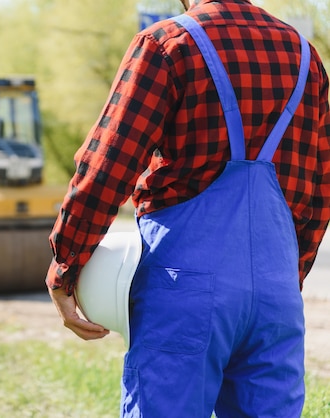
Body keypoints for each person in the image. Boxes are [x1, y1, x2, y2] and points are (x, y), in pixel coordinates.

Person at [45, 0, 330, 416]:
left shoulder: (167, 44)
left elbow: (107, 167)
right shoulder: (306, 57)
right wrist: (286, 276)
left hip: (184, 290)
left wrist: (65, 264)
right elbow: (321, 190)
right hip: (276, 294)